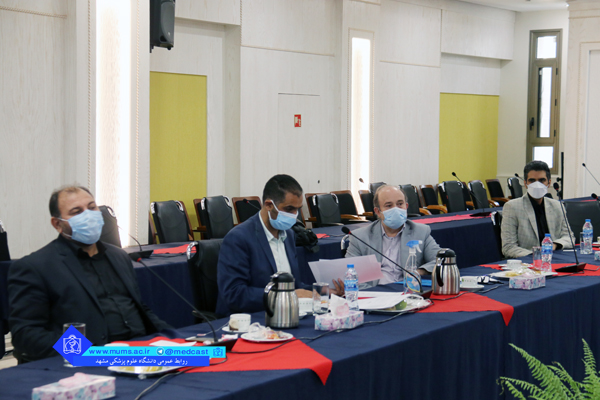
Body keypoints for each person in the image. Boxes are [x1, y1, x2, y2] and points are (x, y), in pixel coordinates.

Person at [8, 186, 169, 363]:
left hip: (140, 354)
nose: (88, 215)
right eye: (76, 212)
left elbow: (138, 307)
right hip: (88, 361)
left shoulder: (118, 256)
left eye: (92, 208)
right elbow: (26, 333)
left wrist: (172, 337)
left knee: (193, 359)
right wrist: (87, 353)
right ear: (58, 224)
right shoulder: (35, 267)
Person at [216, 174, 341, 316]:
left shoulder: (289, 235)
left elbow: (296, 287)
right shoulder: (238, 238)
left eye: (298, 209)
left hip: (286, 314)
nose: (294, 215)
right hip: (249, 318)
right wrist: (287, 295)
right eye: (289, 209)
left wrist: (323, 291)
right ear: (269, 205)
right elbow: (234, 294)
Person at [345, 185, 441, 284]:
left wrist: (420, 271)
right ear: (378, 211)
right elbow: (349, 271)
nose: (396, 209)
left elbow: (440, 260)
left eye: (400, 204)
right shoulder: (360, 237)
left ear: (406, 207)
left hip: (407, 288)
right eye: (389, 205)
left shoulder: (420, 231)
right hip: (376, 290)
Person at [501, 160, 574, 258]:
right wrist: (537, 255)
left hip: (555, 258)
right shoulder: (512, 207)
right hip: (528, 261)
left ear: (549, 183)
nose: (537, 184)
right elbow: (508, 247)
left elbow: (569, 237)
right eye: (532, 180)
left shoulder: (557, 206)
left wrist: (554, 245)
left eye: (542, 180)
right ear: (525, 183)